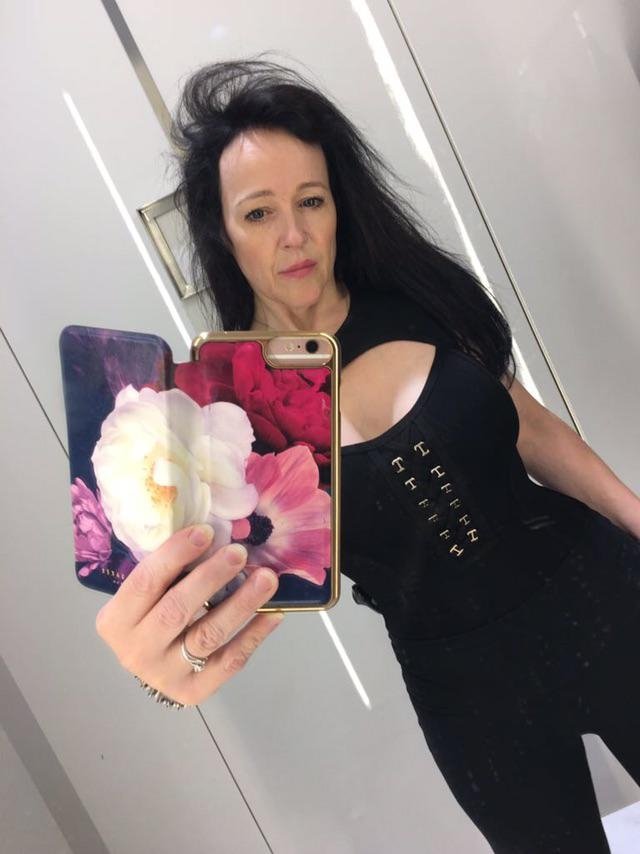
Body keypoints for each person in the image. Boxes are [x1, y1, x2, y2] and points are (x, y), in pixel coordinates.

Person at [95, 57, 640, 852]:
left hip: (602, 599)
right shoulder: (228, 418)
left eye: (310, 201)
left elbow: (534, 430)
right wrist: (168, 668)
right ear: (221, 231)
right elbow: (229, 586)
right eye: (258, 212)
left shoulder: (418, 294)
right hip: (470, 694)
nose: (293, 235)